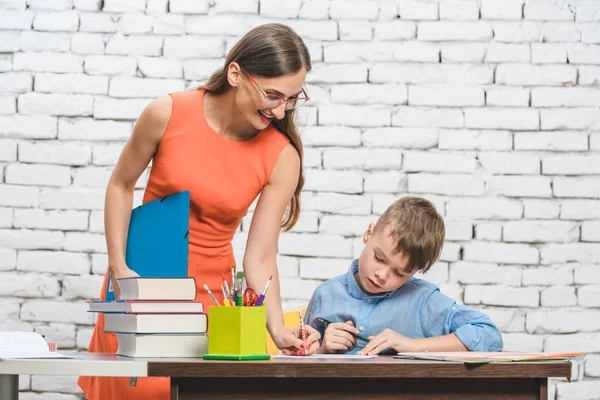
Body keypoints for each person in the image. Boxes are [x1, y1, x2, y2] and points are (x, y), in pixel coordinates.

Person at [78, 23, 321, 400]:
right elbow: (120, 185)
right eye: (273, 95)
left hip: (211, 298)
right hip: (143, 283)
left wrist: (276, 328)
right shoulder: (167, 113)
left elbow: (259, 255)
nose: (280, 110)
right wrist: (119, 267)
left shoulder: (281, 156)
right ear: (236, 73)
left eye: (291, 99)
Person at [304, 196, 503, 355]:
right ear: (368, 233)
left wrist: (414, 345)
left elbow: (489, 335)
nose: (382, 275)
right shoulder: (325, 295)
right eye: (379, 258)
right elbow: (299, 365)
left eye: (400, 273)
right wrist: (323, 350)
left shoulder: (423, 302)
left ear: (414, 272)